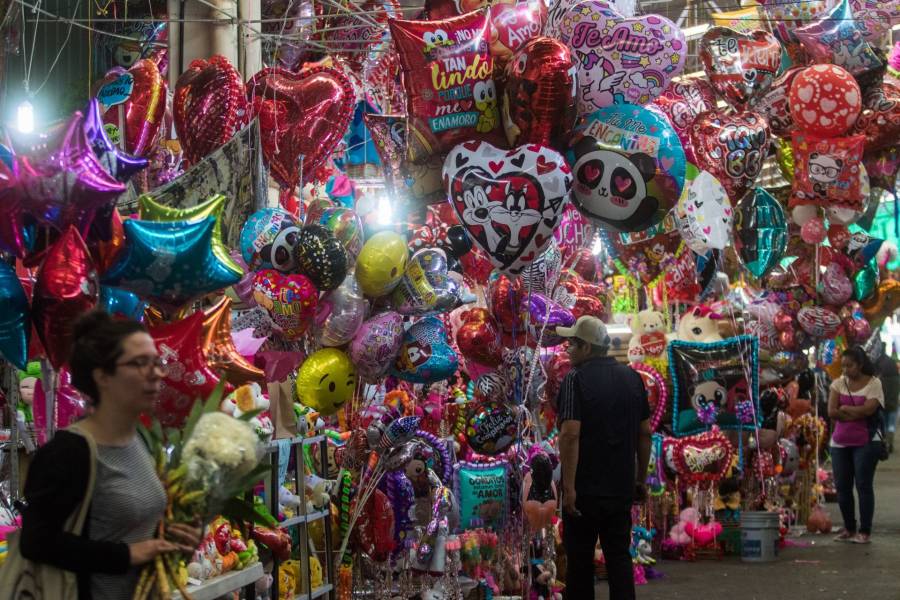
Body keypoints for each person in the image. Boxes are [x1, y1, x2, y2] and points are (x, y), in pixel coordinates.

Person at [19, 311, 200, 599]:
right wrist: (125, 555)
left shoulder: (138, 440)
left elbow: (122, 528)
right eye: (140, 363)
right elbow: (36, 541)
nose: (156, 373)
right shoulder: (70, 452)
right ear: (102, 376)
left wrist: (168, 540)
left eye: (157, 362)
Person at [555, 316, 651, 600]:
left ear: (586, 348)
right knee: (619, 558)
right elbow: (645, 433)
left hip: (584, 489)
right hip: (620, 487)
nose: (568, 348)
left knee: (580, 563)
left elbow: (570, 434)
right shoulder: (632, 378)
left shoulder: (575, 378)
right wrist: (640, 479)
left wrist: (569, 488)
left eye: (572, 343)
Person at [827, 345, 885, 545]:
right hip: (840, 442)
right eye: (843, 366)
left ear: (860, 365)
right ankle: (849, 528)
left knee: (863, 485)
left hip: (867, 442)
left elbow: (869, 410)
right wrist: (855, 411)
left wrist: (845, 409)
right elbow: (832, 412)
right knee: (842, 487)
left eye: (849, 365)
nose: (845, 370)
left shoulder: (874, 383)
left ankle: (865, 531)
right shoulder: (837, 384)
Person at [873, 343, 899, 454]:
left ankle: (883, 443)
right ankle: (889, 443)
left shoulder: (880, 381)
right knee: (891, 426)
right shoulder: (897, 380)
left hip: (882, 406)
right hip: (893, 405)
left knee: (882, 425)